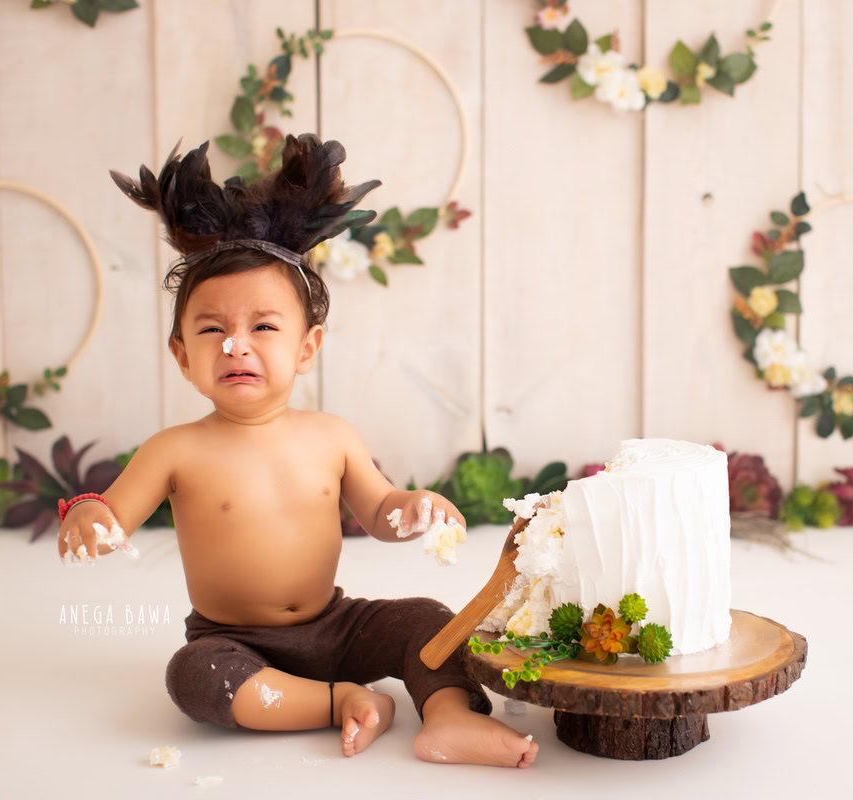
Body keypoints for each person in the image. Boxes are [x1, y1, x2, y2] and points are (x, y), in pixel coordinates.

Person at [55, 134, 537, 768]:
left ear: (306, 348)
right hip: (234, 642)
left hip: (337, 625)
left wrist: (413, 507)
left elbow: (380, 511)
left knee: (427, 620)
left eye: (263, 326)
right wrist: (88, 516)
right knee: (194, 677)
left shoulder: (331, 436)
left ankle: (449, 717)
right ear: (183, 356)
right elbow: (113, 513)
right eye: (212, 329)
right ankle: (340, 702)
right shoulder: (174, 451)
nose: (235, 346)